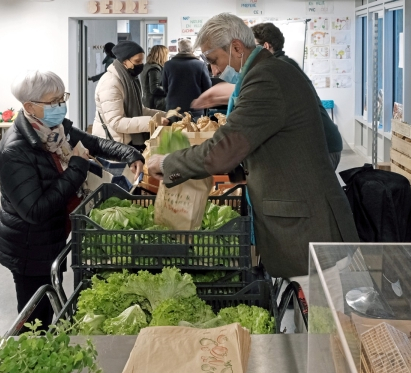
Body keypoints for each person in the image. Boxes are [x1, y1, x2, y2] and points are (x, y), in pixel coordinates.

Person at [146, 13, 359, 280]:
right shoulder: (271, 70)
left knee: (323, 315)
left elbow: (225, 149)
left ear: (236, 48)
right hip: (305, 221)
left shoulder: (265, 79)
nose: (212, 71)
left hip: (307, 230)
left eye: (214, 61)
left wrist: (168, 163)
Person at [0, 70, 144, 329]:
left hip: (54, 235)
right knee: (34, 320)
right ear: (30, 106)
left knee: (47, 306)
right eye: (53, 101)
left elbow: (94, 143)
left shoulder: (55, 130)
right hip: (29, 245)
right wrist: (77, 169)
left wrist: (130, 153)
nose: (60, 106)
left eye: (62, 98)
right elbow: (35, 210)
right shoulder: (15, 149)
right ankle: (31, 364)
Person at [254, 23, 343, 169]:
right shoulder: (281, 64)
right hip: (320, 143)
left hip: (323, 145)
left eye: (253, 47)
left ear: (265, 46)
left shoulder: (280, 67)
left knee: (310, 190)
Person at [92, 40, 169, 148]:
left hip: (126, 140)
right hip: (114, 145)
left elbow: (139, 110)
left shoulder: (129, 78)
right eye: (137, 61)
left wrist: (166, 114)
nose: (141, 65)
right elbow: (116, 122)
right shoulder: (111, 83)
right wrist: (152, 122)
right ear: (124, 61)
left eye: (142, 61)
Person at [162, 38, 211, 118]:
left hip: (173, 109)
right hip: (195, 110)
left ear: (178, 49)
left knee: (174, 130)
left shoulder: (168, 65)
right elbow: (207, 87)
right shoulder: (200, 65)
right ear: (192, 50)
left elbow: (165, 88)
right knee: (194, 130)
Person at [141, 45, 168, 110]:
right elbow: (154, 89)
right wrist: (169, 90)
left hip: (148, 102)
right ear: (162, 55)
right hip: (156, 104)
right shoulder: (155, 68)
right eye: (166, 54)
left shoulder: (147, 65)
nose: (167, 57)